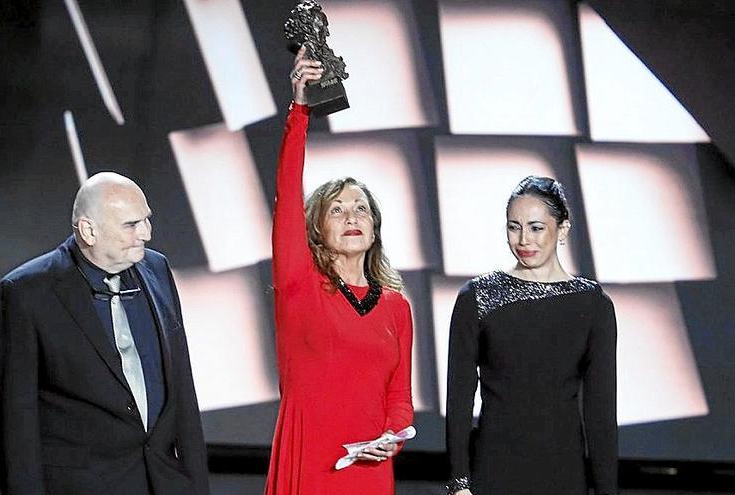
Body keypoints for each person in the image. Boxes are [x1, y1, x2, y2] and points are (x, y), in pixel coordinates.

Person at [0, 172, 209, 494]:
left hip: (162, 481)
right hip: (81, 484)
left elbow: (182, 388)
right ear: (89, 231)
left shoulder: (157, 270)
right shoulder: (27, 292)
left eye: (146, 220)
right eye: (131, 225)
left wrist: (195, 483)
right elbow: (16, 422)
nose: (146, 234)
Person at [264, 47, 414, 495]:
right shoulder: (299, 286)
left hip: (368, 472)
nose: (352, 217)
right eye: (337, 210)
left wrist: (392, 440)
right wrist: (299, 111)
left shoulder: (396, 307)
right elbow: (288, 192)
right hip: (309, 463)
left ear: (375, 227)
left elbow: (400, 399)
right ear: (314, 228)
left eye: (361, 209)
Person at [445, 176, 618, 495]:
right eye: (514, 227)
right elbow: (459, 399)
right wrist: (458, 482)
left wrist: (607, 491)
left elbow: (600, 413)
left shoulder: (593, 304)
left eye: (536, 227)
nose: (524, 239)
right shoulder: (477, 297)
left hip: (563, 474)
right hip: (494, 470)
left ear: (562, 229)